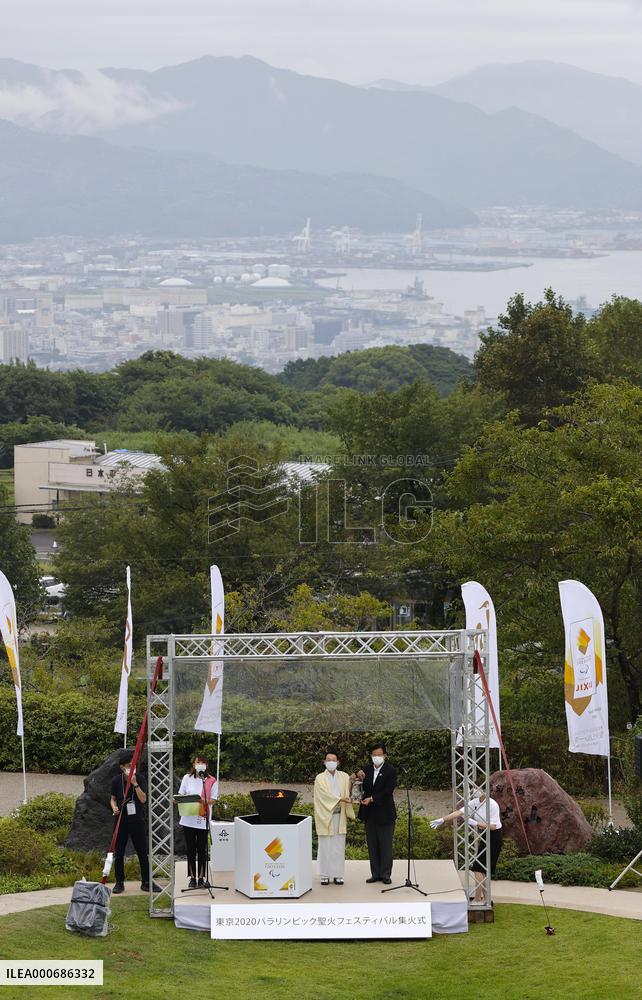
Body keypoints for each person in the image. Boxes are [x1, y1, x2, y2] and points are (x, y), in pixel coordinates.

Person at [431, 787, 503, 901]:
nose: (474, 791)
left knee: (478, 868)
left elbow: (493, 826)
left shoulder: (492, 804)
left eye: (477, 788)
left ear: (484, 790)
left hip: (494, 837)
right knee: (481, 868)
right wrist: (442, 820)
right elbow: (459, 812)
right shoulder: (474, 802)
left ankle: (478, 898)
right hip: (485, 836)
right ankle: (485, 898)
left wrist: (475, 823)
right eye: (473, 788)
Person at [109, 750, 158, 894]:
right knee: (119, 853)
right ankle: (119, 882)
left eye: (133, 765)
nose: (132, 768)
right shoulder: (116, 781)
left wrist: (135, 784)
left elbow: (143, 799)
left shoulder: (140, 778)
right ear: (122, 767)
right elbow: (112, 798)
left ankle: (146, 882)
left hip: (137, 820)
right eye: (128, 766)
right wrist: (114, 807)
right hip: (121, 821)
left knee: (142, 852)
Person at [355, 742, 397, 885]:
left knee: (385, 845)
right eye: (374, 755)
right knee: (372, 844)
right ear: (371, 756)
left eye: (380, 755)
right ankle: (375, 873)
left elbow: (388, 791)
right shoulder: (366, 769)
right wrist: (356, 774)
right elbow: (358, 782)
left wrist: (372, 799)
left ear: (385, 755)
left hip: (385, 813)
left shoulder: (390, 770)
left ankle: (385, 874)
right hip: (370, 813)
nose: (377, 757)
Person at [313, 748, 355, 885]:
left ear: (338, 762)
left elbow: (348, 792)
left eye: (334, 760)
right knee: (325, 845)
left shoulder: (344, 776)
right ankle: (324, 874)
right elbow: (323, 796)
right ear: (324, 762)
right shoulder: (320, 778)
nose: (331, 762)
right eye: (328, 760)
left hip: (339, 815)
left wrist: (352, 783)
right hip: (326, 815)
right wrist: (340, 799)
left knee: (338, 845)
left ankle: (338, 874)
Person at [176, 754, 218, 889]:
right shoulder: (187, 778)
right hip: (188, 818)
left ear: (206, 765)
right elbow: (181, 794)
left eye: (203, 762)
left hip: (202, 818)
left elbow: (213, 800)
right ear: (193, 764)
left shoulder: (211, 780)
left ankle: (201, 878)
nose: (200, 764)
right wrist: (177, 799)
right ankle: (192, 878)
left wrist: (202, 801)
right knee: (190, 849)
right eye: (197, 762)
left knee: (201, 849)